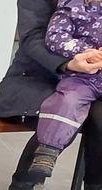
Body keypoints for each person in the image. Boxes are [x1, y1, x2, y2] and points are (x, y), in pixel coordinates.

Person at [0, 0, 102, 190]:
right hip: (41, 75)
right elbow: (32, 37)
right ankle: (21, 189)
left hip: (94, 76)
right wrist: (70, 62)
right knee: (62, 108)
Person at [27, 0, 102, 180]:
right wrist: (85, 51)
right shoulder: (72, 7)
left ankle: (95, 189)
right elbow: (55, 36)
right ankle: (48, 149)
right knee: (67, 100)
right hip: (83, 76)